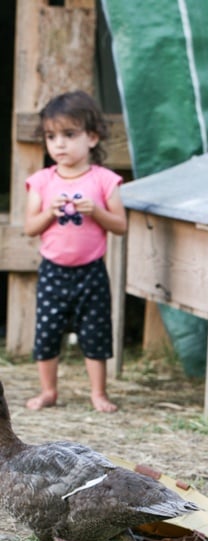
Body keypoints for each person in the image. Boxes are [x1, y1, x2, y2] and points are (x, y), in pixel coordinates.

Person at [24, 90, 127, 412]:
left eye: (69, 135)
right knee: (47, 331)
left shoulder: (105, 180)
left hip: (91, 270)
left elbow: (120, 226)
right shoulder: (41, 182)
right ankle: (48, 391)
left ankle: (98, 393)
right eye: (51, 137)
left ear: (92, 137)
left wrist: (95, 210)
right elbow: (30, 228)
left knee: (95, 332)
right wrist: (48, 213)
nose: (59, 145)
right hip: (53, 270)